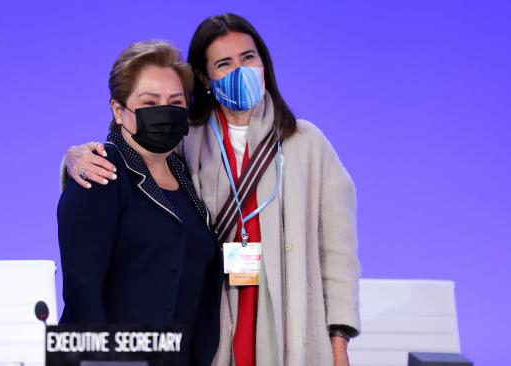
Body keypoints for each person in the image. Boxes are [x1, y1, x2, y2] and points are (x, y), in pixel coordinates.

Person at [63, 14, 360, 366]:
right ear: (206, 78)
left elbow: (338, 252)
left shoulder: (308, 143)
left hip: (287, 313)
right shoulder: (187, 137)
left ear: (264, 62)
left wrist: (339, 341)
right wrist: (73, 157)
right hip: (212, 325)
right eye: (224, 63)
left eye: (249, 58)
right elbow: (128, 159)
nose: (241, 70)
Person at [57, 40, 222, 366]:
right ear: (119, 111)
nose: (165, 110)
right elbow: (82, 293)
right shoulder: (99, 174)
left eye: (175, 101)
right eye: (150, 102)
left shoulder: (187, 178)